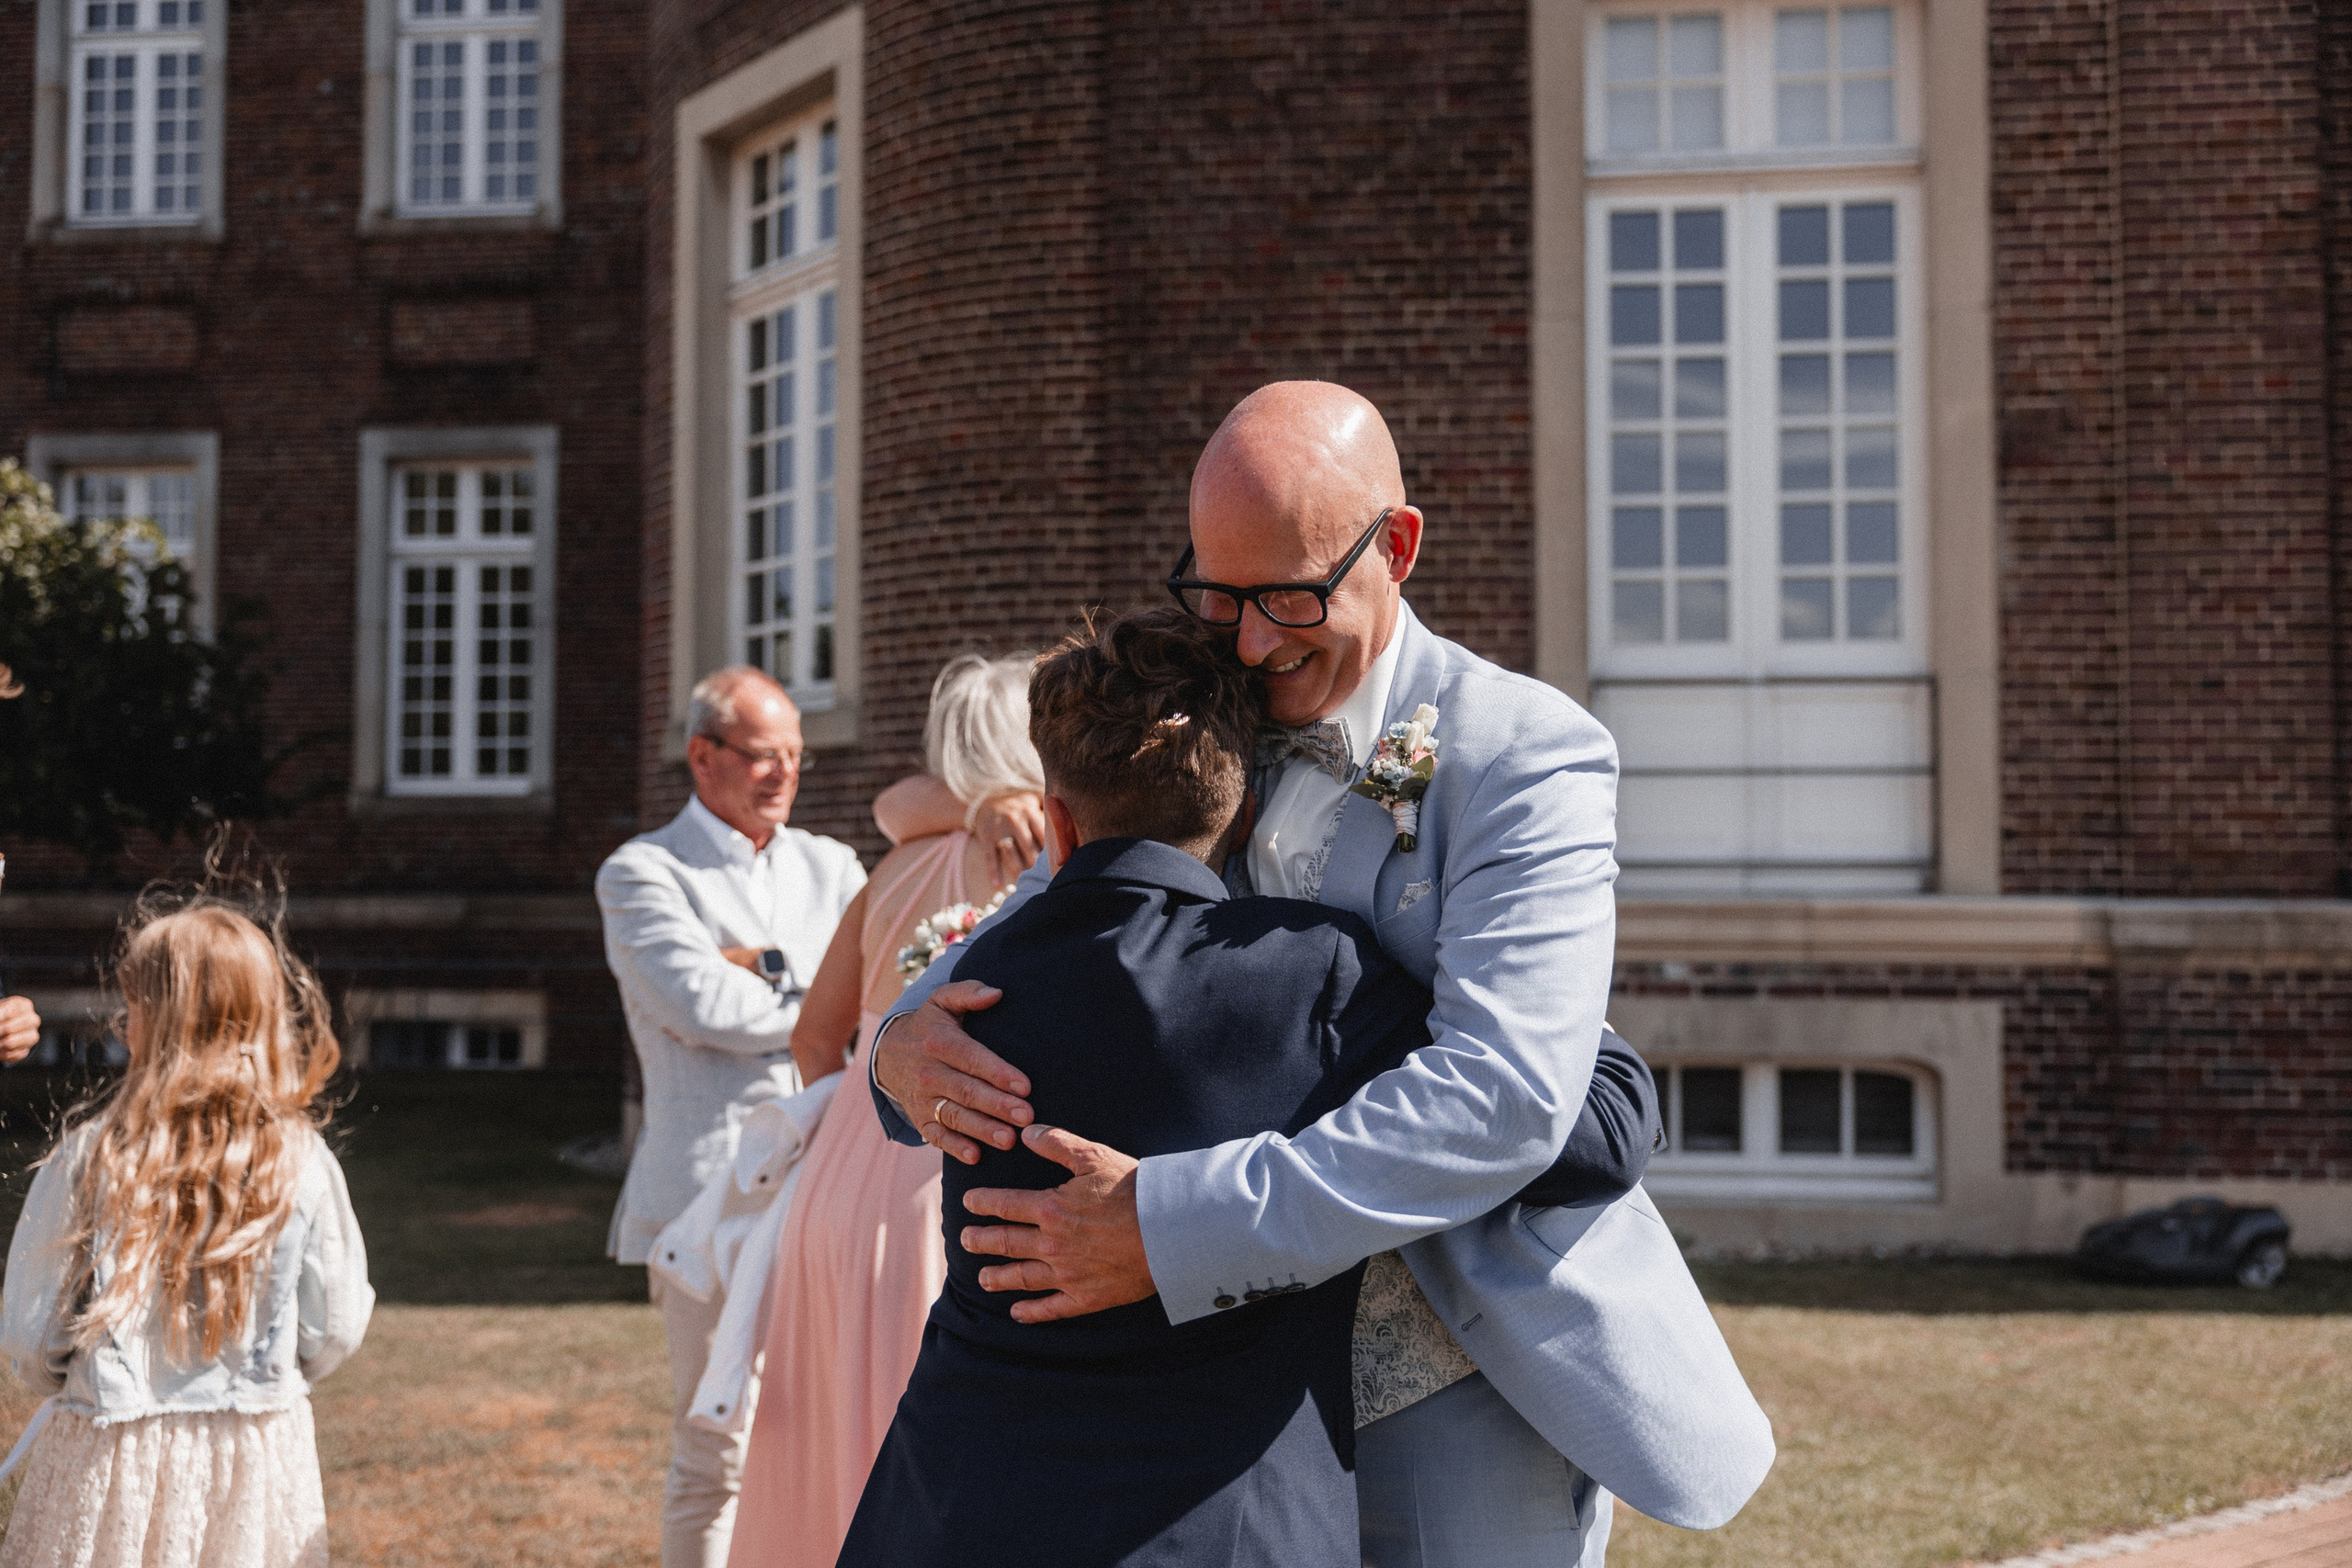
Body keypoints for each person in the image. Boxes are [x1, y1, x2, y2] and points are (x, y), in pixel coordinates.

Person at [872, 382, 1775, 1565]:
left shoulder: (1523, 752)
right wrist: (900, 1045)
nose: (1248, 641)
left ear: (1394, 548)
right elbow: (1063, 898)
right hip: (1227, 1414)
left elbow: (1502, 1094)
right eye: (1216, 593)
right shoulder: (1212, 697)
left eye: (1289, 597)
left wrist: (1165, 1228)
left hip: (1460, 1373)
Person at [842, 610, 1445, 1566]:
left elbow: (879, 1069)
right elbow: (1590, 1129)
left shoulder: (973, 988)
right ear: (1245, 813)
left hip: (956, 1509)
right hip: (1220, 1525)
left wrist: (888, 1051)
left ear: (1057, 818)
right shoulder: (1312, 978)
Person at [727, 653, 1045, 1568]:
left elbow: (811, 1038)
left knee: (830, 1455)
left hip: (833, 1188)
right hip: (936, 1192)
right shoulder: (1037, 866)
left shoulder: (896, 861)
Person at [0, 895, 372, 1568]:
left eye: (134, 1003)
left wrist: (77, 1382)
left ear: (156, 1019)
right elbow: (336, 1325)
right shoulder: (302, 1158)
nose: (123, 1020)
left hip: (108, 1461)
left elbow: (32, 1336)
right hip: (253, 1459)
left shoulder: (89, 1156)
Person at [595, 665, 866, 1568]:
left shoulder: (833, 865)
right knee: (719, 1446)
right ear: (701, 756)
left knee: (836, 1434)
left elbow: (884, 993)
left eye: (794, 756)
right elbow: (701, 1006)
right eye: (760, 756)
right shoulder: (642, 872)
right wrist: (822, 985)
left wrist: (766, 966)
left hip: (836, 1182)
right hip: (709, 1198)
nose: (782, 774)